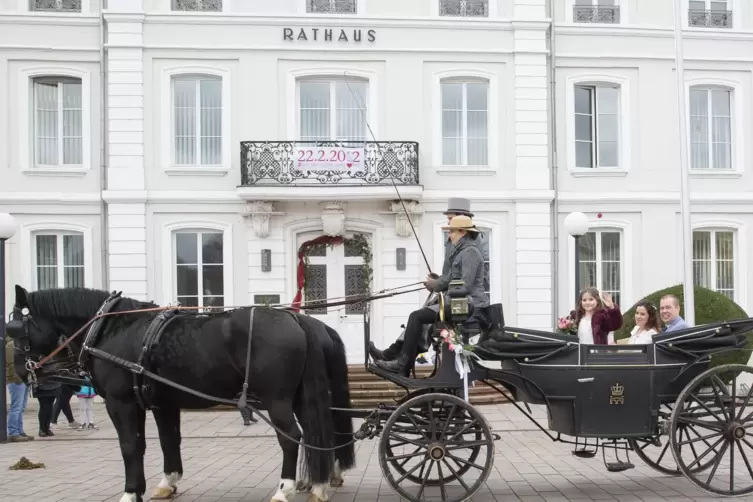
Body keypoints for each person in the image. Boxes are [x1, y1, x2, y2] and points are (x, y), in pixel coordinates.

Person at [375, 215, 489, 375]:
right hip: (461, 304)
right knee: (422, 318)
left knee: (416, 316)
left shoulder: (470, 252)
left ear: (463, 232)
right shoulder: (462, 252)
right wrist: (437, 282)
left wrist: (438, 287)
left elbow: (465, 285)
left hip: (470, 306)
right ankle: (395, 357)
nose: (449, 235)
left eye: (452, 232)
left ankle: (402, 363)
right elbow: (450, 279)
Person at [6, 339, 33, 442]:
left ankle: (19, 430)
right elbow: (10, 363)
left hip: (24, 379)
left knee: (21, 407)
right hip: (16, 380)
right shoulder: (10, 345)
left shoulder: (20, 343)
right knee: (16, 407)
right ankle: (13, 432)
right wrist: (18, 378)